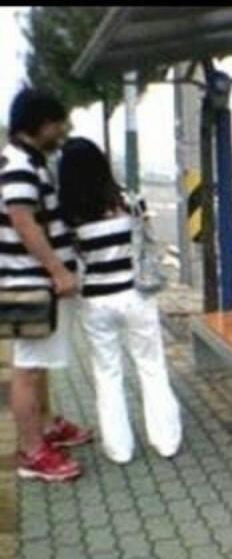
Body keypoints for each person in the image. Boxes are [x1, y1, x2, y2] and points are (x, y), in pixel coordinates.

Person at [58, 137, 182, 465]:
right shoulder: (130, 200)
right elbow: (146, 241)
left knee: (107, 373)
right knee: (151, 366)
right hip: (136, 294)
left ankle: (119, 449)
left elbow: (72, 261)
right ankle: (166, 441)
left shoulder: (67, 216)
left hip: (95, 302)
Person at [0, 88, 92, 482]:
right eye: (57, 124)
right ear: (39, 124)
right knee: (28, 369)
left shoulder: (29, 161)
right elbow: (23, 222)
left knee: (39, 366)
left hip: (36, 280)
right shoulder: (19, 165)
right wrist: (58, 271)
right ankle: (33, 452)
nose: (62, 131)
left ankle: (48, 425)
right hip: (32, 281)